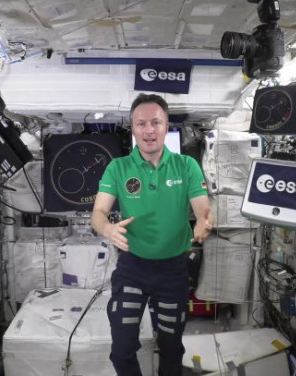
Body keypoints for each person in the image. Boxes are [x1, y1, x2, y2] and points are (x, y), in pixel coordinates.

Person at [91, 93, 213, 376]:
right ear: (132, 129)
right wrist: (108, 228)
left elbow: (203, 209)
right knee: (122, 350)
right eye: (141, 123)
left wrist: (203, 222)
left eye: (156, 123)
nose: (149, 130)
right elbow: (98, 213)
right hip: (132, 268)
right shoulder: (118, 168)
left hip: (173, 271)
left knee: (171, 348)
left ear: (166, 126)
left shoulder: (186, 166)